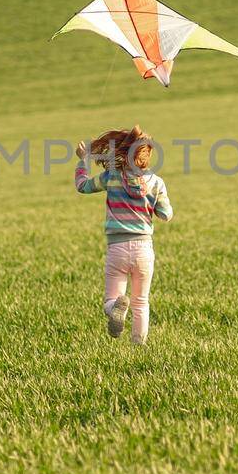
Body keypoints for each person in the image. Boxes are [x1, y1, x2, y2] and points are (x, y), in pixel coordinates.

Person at [74, 125, 173, 345]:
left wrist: (82, 161)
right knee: (141, 302)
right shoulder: (156, 183)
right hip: (143, 250)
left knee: (112, 299)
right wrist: (152, 203)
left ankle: (114, 309)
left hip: (117, 248)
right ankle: (139, 345)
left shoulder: (111, 177)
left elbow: (82, 186)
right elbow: (166, 214)